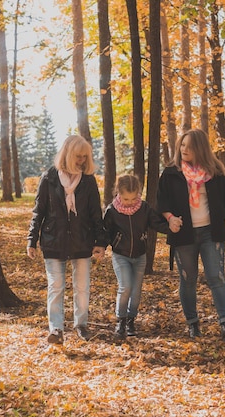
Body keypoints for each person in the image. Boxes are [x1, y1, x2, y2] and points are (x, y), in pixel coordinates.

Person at [157, 129, 225, 342]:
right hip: (183, 234)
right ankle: (193, 324)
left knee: (216, 276)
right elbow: (162, 203)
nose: (184, 149)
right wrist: (170, 218)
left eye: (189, 146)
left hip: (211, 232)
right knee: (188, 279)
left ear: (200, 149)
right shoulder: (171, 173)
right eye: (182, 145)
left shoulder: (216, 172)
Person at [27, 135, 107, 345]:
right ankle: (56, 329)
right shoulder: (49, 178)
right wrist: (31, 239)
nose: (81, 161)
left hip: (82, 239)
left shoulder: (88, 180)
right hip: (54, 240)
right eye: (78, 156)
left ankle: (81, 324)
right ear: (68, 154)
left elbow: (95, 213)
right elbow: (39, 211)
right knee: (56, 286)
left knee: (82, 287)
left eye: (84, 157)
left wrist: (100, 241)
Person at [104, 174, 174, 340]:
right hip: (120, 255)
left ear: (139, 193)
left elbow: (156, 223)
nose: (129, 202)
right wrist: (100, 246)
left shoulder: (144, 208)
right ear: (118, 193)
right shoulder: (112, 211)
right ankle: (120, 320)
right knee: (125, 286)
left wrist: (171, 227)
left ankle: (131, 320)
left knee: (136, 292)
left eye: (133, 198)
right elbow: (105, 232)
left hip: (140, 256)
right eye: (126, 199)